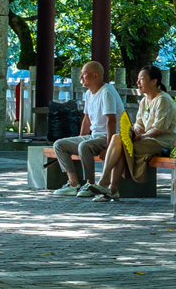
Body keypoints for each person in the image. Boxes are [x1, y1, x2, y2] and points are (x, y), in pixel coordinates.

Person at [99, 65, 176, 200]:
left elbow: (159, 129)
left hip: (162, 142)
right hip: (146, 141)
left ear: (154, 81)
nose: (138, 83)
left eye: (141, 79)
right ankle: (109, 187)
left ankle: (107, 184)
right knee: (118, 138)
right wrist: (135, 132)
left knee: (120, 145)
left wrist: (142, 136)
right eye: (138, 79)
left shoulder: (163, 100)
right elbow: (139, 124)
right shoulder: (143, 101)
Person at [50, 61, 125, 198]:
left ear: (95, 75)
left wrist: (109, 146)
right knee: (59, 145)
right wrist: (78, 139)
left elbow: (111, 120)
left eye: (84, 74)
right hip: (93, 136)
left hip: (108, 136)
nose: (81, 78)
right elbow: (86, 119)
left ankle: (90, 184)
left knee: (84, 146)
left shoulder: (106, 92)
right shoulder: (89, 94)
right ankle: (73, 184)